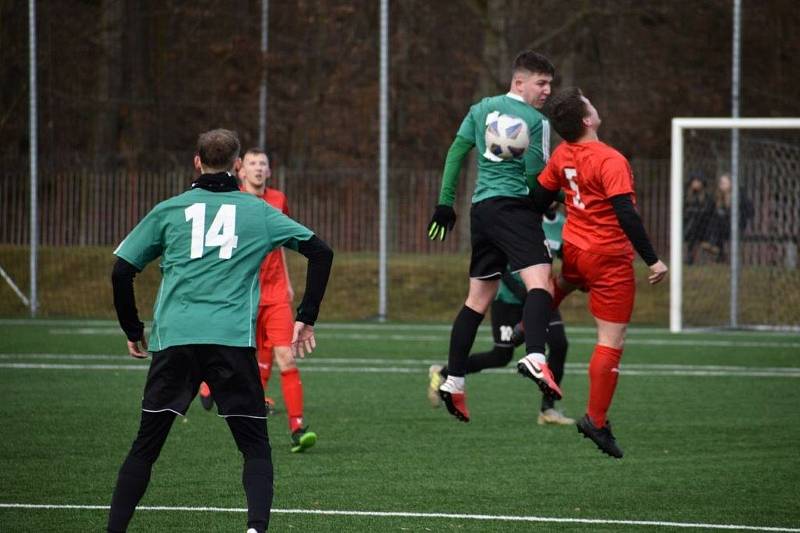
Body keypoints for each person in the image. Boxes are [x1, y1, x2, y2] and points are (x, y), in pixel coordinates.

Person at [107, 129, 333, 533]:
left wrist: (131, 326)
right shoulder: (257, 211)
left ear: (196, 162)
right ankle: (255, 529)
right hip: (230, 341)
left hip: (175, 339)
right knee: (255, 447)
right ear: (236, 166)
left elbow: (123, 269)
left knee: (146, 447)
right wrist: (308, 314)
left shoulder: (169, 210)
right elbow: (320, 251)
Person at [426, 50, 560, 423]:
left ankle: (453, 380)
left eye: (550, 84)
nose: (547, 90)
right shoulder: (536, 121)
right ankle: (535, 355)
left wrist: (445, 204)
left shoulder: (481, 107)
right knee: (541, 285)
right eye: (541, 83)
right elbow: (538, 178)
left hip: (481, 212)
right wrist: (549, 200)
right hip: (514, 210)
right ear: (519, 82)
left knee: (476, 299)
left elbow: (456, 151)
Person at [534, 87, 668, 458]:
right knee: (611, 340)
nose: (595, 104)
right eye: (590, 103)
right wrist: (652, 259)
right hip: (609, 259)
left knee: (567, 280)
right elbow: (626, 213)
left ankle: (529, 324)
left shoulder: (563, 153)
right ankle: (595, 419)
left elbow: (540, 196)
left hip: (575, 249)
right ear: (587, 120)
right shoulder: (610, 159)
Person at [427, 204, 573, 426]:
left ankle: (547, 409)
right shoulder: (521, 217)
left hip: (541, 298)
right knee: (501, 356)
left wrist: (580, 275)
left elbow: (567, 258)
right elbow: (500, 264)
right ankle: (445, 373)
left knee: (559, 344)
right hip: (509, 301)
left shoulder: (562, 224)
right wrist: (524, 293)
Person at [240, 147, 317, 453]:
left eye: (263, 164)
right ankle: (210, 387)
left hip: (275, 294)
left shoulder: (278, 199)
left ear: (269, 171)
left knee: (285, 355)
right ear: (240, 170)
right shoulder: (234, 201)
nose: (258, 168)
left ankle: (297, 427)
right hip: (244, 292)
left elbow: (282, 242)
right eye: (252, 163)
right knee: (247, 360)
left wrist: (287, 283)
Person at [683, 174, 714, 265]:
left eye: (698, 181)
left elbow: (708, 212)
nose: (696, 184)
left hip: (704, 228)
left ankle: (690, 256)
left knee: (696, 221)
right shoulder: (686, 197)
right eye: (694, 181)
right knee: (693, 222)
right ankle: (689, 255)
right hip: (688, 227)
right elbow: (684, 212)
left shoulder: (707, 197)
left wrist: (695, 212)